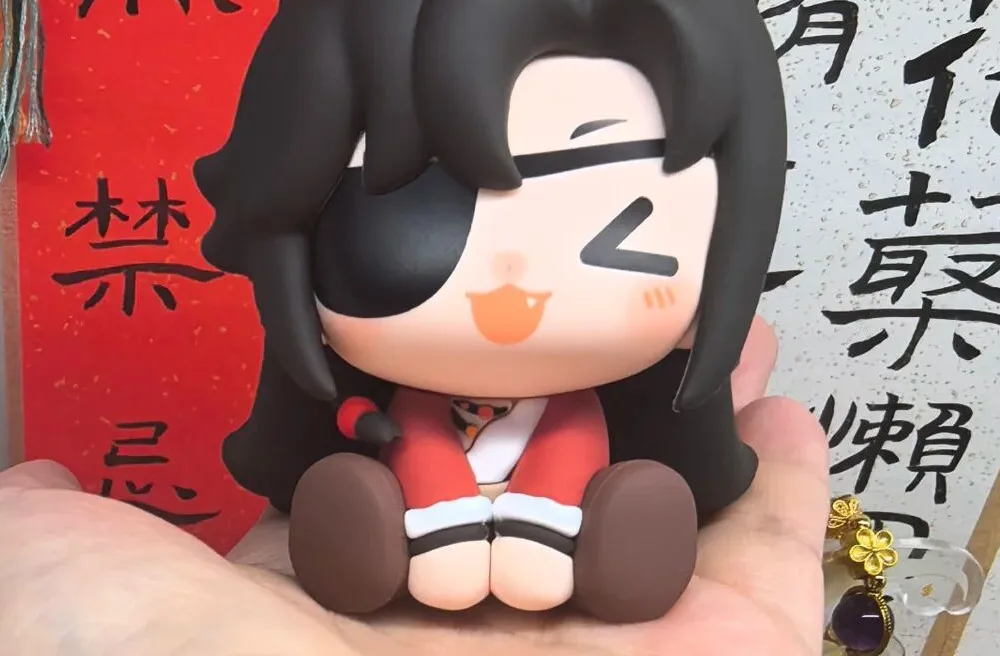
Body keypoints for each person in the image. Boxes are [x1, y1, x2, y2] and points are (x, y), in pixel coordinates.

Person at [0, 317, 831, 655]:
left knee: (576, 450)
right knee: (409, 450)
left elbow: (575, 442)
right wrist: (364, 422)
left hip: (560, 508)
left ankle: (587, 541)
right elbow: (381, 422)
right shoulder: (413, 387)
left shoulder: (578, 395)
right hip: (424, 504)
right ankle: (396, 541)